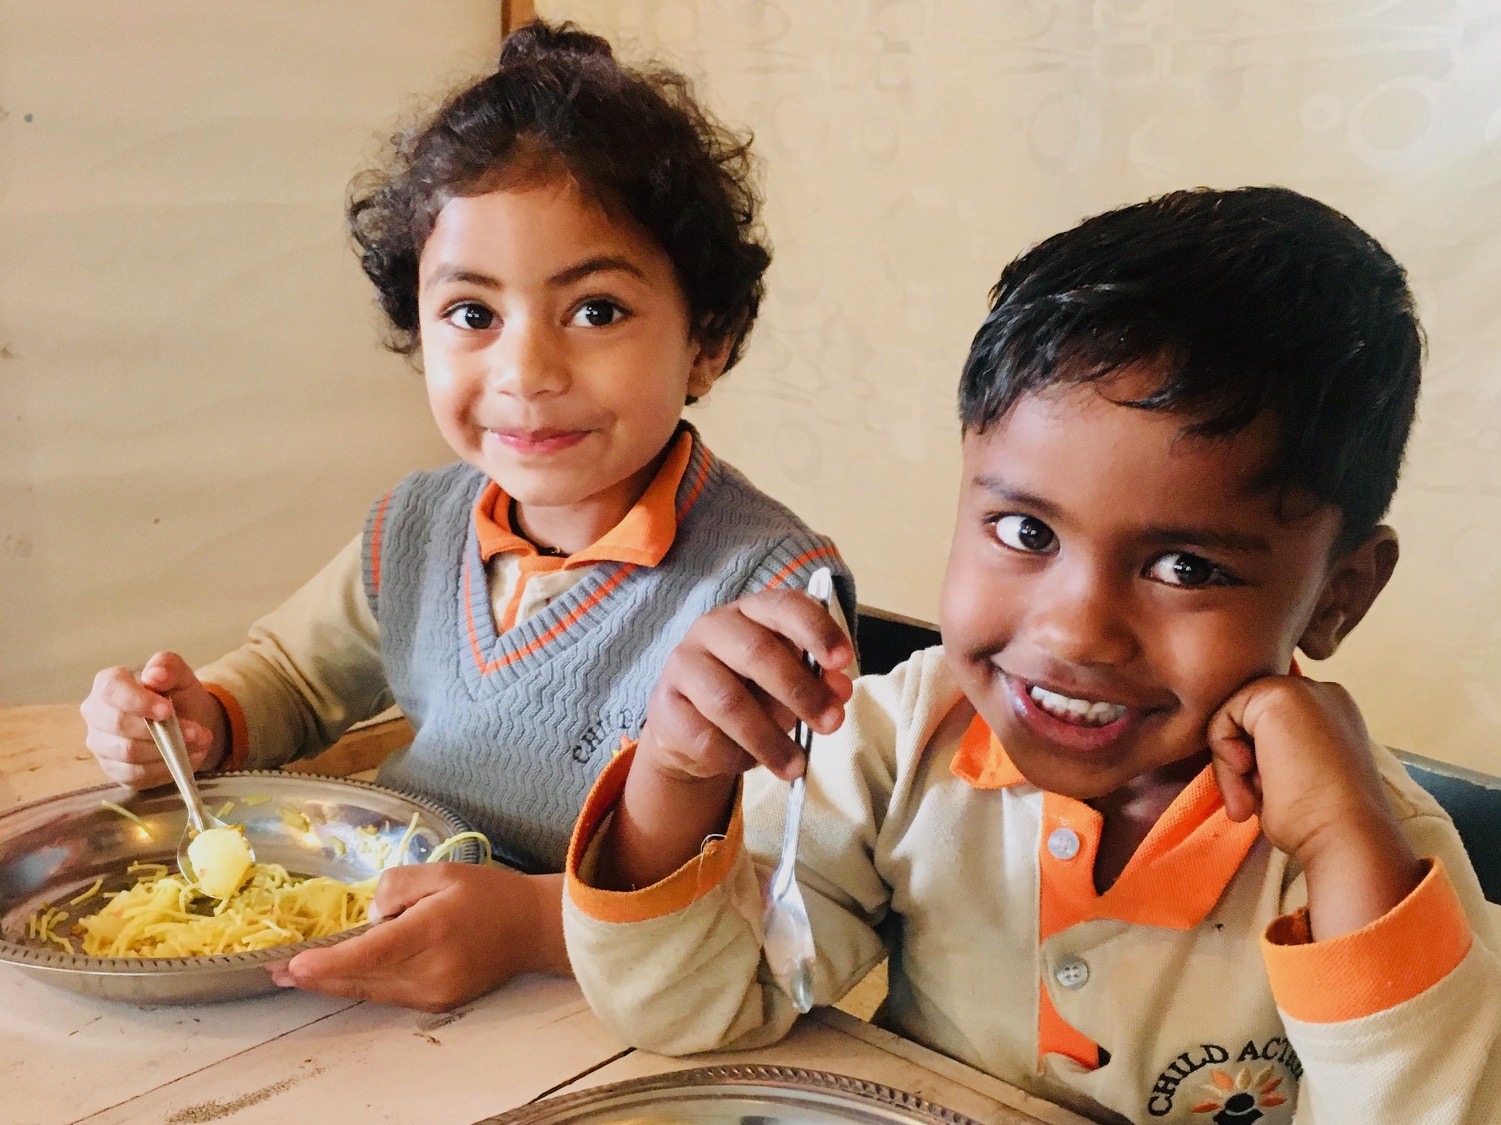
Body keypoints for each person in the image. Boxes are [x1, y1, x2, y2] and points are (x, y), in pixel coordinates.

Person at [561, 186, 1501, 1122]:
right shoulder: (894, 742)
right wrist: (678, 775)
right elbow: (690, 1006)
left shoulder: (1375, 850)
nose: (1073, 631)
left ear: (1337, 595)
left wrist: (1345, 848)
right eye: (1023, 530)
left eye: (1185, 565)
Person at [77, 21, 854, 1012]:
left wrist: (531, 927)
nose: (525, 373)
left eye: (597, 310)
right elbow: (290, 678)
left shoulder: (768, 594)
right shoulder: (419, 523)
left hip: (602, 1010)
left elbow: (790, 901)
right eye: (472, 314)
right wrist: (198, 722)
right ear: (417, 329)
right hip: (359, 964)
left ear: (707, 338)